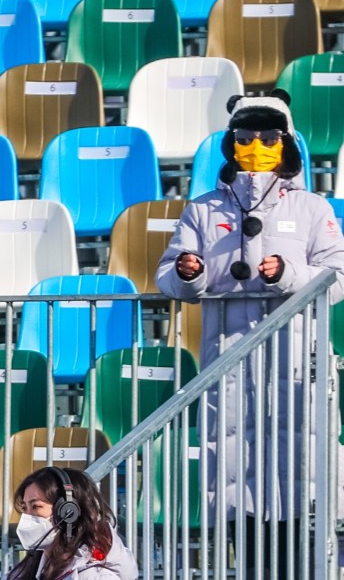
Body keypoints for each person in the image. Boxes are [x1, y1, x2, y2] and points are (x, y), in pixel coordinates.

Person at [155, 90, 344, 572]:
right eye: (245, 137)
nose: (255, 145)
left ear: (286, 144)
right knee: (236, 475)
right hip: (228, 361)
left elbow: (337, 277)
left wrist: (288, 276)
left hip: (296, 361)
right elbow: (168, 277)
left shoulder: (312, 208)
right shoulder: (201, 209)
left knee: (298, 474)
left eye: (266, 136)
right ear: (230, 143)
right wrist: (190, 271)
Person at [8, 467, 137, 580]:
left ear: (68, 512)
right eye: (25, 508)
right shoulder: (31, 568)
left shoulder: (97, 576)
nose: (27, 516)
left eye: (36, 506)